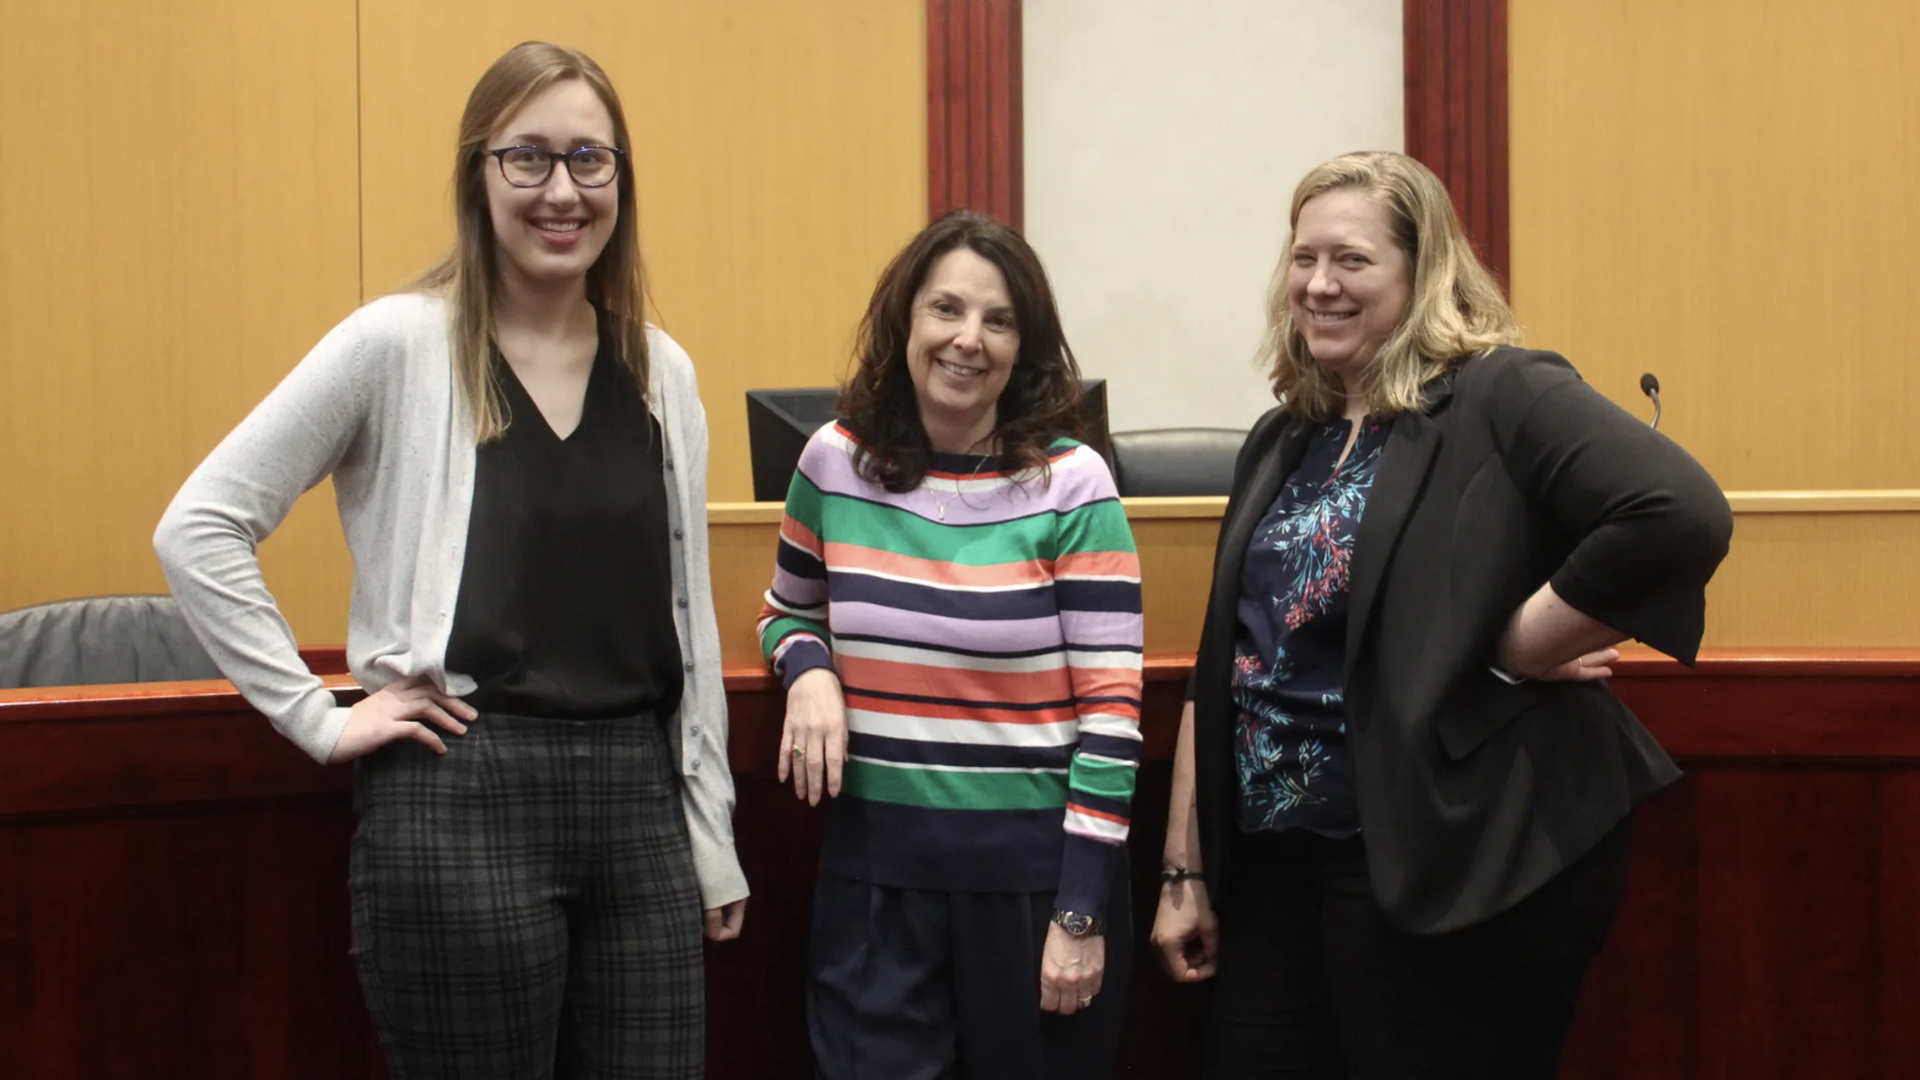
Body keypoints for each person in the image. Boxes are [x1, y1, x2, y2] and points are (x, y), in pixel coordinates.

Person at [154, 41, 747, 1079]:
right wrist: (314, 716)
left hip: (636, 805)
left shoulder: (662, 369)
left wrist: (710, 828)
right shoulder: (397, 345)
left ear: (621, 182)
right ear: (479, 174)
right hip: (459, 791)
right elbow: (200, 528)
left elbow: (689, 617)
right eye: (527, 158)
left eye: (590, 161)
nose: (562, 190)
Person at [1148, 151, 1733, 1079]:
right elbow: (1234, 667)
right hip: (1278, 867)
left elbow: (1677, 513)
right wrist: (1185, 872)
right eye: (1303, 259)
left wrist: (1510, 648)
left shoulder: (1500, 392)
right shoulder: (1282, 436)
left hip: (1444, 853)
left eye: (1352, 260)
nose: (1319, 284)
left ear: (1425, 274)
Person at [756, 211, 1144, 1080]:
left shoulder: (1071, 483)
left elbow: (1113, 717)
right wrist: (809, 668)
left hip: (1035, 893)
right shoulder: (832, 463)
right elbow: (785, 611)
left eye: (998, 320)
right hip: (875, 887)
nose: (968, 340)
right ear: (906, 322)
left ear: (1024, 344)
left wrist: (1079, 913)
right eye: (947, 310)